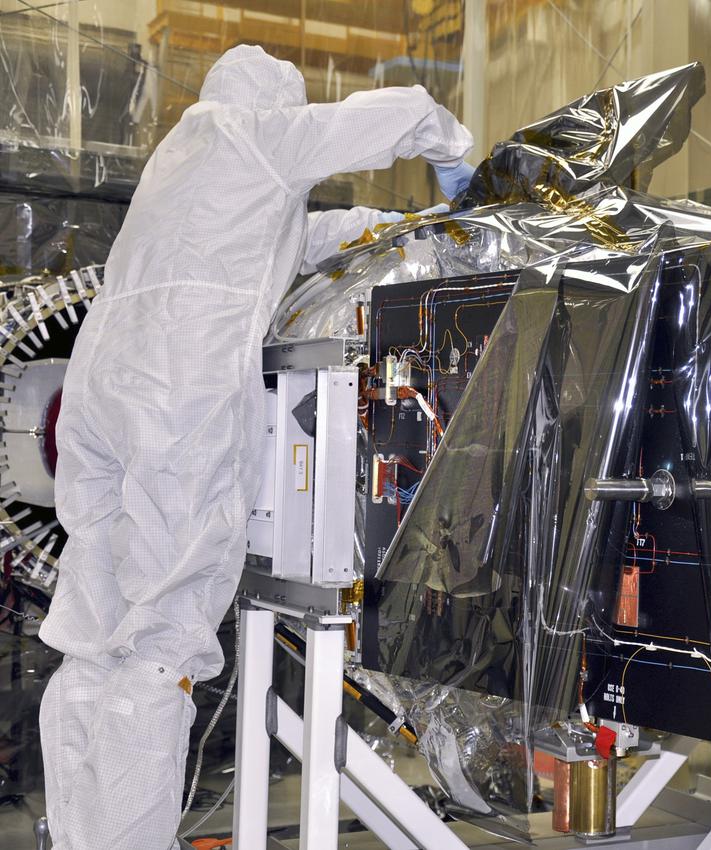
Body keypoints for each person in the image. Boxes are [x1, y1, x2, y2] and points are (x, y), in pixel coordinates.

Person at [37, 44, 473, 850]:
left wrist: (399, 229)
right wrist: (454, 153)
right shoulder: (258, 136)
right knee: (162, 640)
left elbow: (294, 236)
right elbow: (400, 112)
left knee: (94, 632)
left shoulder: (186, 162)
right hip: (175, 399)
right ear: (276, 103)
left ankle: (75, 835)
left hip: (100, 394)